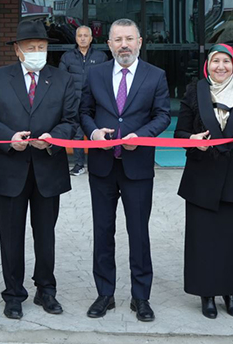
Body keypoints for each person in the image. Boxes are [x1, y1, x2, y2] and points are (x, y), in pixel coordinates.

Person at [0, 20, 79, 319]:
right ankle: (13, 293)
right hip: (10, 169)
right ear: (18, 51)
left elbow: (71, 121)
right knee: (11, 236)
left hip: (48, 168)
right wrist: (9, 139)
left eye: (42, 47)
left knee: (45, 235)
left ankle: (46, 290)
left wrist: (52, 139)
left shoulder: (62, 79)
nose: (37, 52)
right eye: (31, 48)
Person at [79, 18, 170, 322]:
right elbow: (84, 112)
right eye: (117, 40)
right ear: (109, 45)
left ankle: (140, 297)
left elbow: (162, 116)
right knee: (103, 232)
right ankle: (105, 294)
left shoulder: (156, 76)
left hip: (137, 166)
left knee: (138, 233)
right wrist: (93, 134)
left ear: (140, 42)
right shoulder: (95, 74)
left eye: (129, 39)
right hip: (103, 167)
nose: (124, 45)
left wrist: (141, 137)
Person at [174, 44, 233, 319]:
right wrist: (192, 141)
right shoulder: (194, 91)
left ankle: (230, 293)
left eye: (226, 62)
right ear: (207, 65)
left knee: (231, 240)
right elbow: (180, 133)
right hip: (201, 178)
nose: (221, 67)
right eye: (215, 62)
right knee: (203, 240)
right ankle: (206, 294)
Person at [59, 25, 108, 176]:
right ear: (75, 38)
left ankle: (98, 164)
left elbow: (107, 79)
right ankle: (79, 165)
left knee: (97, 132)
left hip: (95, 102)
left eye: (86, 35)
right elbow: (61, 80)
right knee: (78, 134)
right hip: (74, 102)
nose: (82, 38)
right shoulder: (67, 57)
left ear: (91, 38)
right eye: (79, 35)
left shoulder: (101, 57)